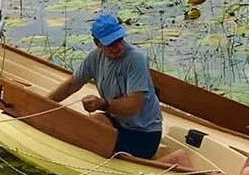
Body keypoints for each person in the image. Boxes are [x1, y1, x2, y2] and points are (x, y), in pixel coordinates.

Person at [51, 11, 188, 166]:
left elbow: (133, 106)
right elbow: (71, 84)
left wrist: (102, 104)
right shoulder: (94, 58)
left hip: (144, 135)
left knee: (94, 140)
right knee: (93, 123)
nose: (118, 46)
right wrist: (45, 103)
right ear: (98, 43)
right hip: (121, 124)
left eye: (119, 40)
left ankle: (175, 159)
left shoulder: (135, 60)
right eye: (111, 43)